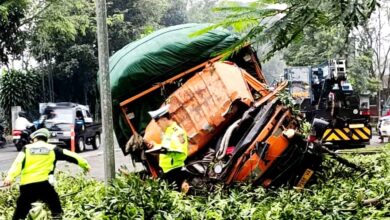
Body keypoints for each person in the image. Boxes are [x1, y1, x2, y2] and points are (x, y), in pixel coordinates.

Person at [3, 128, 90, 220]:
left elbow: (18, 163)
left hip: (27, 186)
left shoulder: (27, 149)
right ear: (46, 139)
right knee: (55, 205)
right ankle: (57, 217)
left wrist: (10, 177)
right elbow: (71, 156)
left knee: (20, 211)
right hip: (43, 185)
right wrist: (85, 165)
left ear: (35, 139)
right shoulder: (53, 149)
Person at [145, 105, 189, 191]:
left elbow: (180, 151)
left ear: (164, 119)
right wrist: (156, 146)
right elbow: (167, 147)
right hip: (168, 171)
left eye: (158, 123)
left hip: (175, 171)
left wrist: (162, 151)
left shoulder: (178, 132)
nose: (158, 126)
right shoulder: (168, 132)